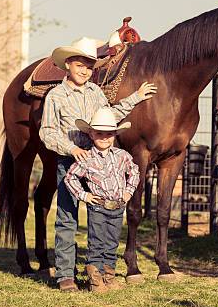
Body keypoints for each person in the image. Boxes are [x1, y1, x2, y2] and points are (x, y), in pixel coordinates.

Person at [39, 37, 156, 292]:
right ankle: (65, 274)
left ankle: (101, 270)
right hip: (70, 160)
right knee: (67, 217)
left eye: (89, 67)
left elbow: (108, 117)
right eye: (79, 65)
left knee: (102, 218)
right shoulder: (56, 96)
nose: (84, 71)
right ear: (68, 64)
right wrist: (71, 148)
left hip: (97, 162)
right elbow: (47, 132)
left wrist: (135, 97)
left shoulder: (95, 93)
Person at [65, 108, 140, 292]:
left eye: (109, 134)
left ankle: (109, 276)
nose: (104, 137)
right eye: (99, 133)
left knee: (112, 242)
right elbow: (70, 177)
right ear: (91, 134)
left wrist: (128, 192)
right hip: (98, 207)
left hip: (118, 206)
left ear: (115, 134)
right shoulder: (86, 158)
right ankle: (95, 279)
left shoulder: (123, 156)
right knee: (97, 241)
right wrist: (84, 195)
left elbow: (135, 172)